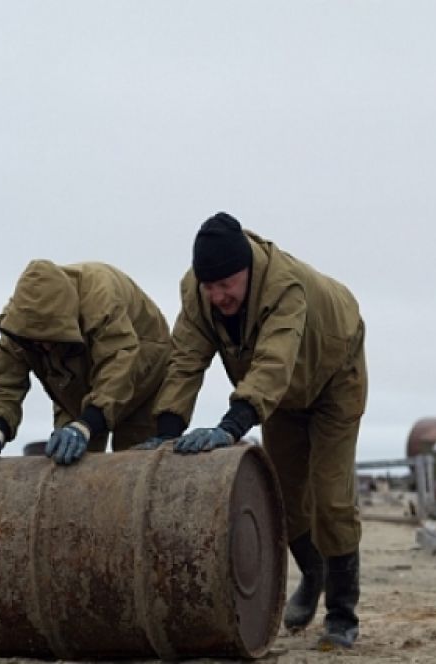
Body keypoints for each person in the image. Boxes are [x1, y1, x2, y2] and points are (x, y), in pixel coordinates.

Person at [137, 213, 367, 650]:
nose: (219, 295)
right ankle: (312, 575)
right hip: (280, 394)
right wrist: (167, 428)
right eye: (211, 286)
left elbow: (274, 363)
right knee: (282, 493)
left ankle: (342, 612)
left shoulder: (285, 287)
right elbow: (186, 358)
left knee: (330, 496)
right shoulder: (199, 292)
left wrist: (231, 427)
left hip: (335, 376)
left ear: (248, 270)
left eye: (228, 284)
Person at [0, 259, 170, 467]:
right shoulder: (18, 323)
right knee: (68, 461)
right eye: (37, 342)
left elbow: (118, 365)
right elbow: (3, 378)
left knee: (134, 464)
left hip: (141, 371)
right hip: (71, 378)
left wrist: (86, 425)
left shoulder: (102, 300)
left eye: (50, 339)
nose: (44, 347)